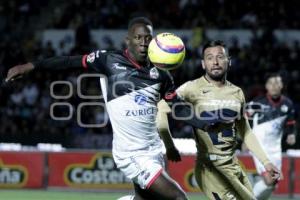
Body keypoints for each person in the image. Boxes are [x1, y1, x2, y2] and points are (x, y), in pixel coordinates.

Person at [5, 17, 211, 200]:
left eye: (147, 38)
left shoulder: (161, 74)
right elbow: (69, 61)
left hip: (153, 149)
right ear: (127, 40)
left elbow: (179, 108)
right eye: (137, 37)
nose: (142, 42)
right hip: (131, 153)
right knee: (177, 197)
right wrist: (30, 66)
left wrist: (207, 123)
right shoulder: (108, 60)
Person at [157, 40, 280, 200]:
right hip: (210, 168)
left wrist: (266, 162)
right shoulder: (191, 88)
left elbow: (246, 131)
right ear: (203, 64)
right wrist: (169, 145)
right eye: (209, 58)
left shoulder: (237, 92)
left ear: (228, 61)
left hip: (233, 165)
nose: (215, 62)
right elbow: (162, 107)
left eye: (220, 57)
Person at [246, 73, 297, 200]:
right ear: (266, 86)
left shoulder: (288, 104)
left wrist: (291, 134)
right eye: (271, 83)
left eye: (277, 83)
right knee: (269, 179)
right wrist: (245, 139)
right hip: (259, 146)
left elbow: (291, 123)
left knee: (272, 183)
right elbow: (244, 120)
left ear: (282, 86)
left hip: (275, 148)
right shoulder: (258, 102)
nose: (274, 86)